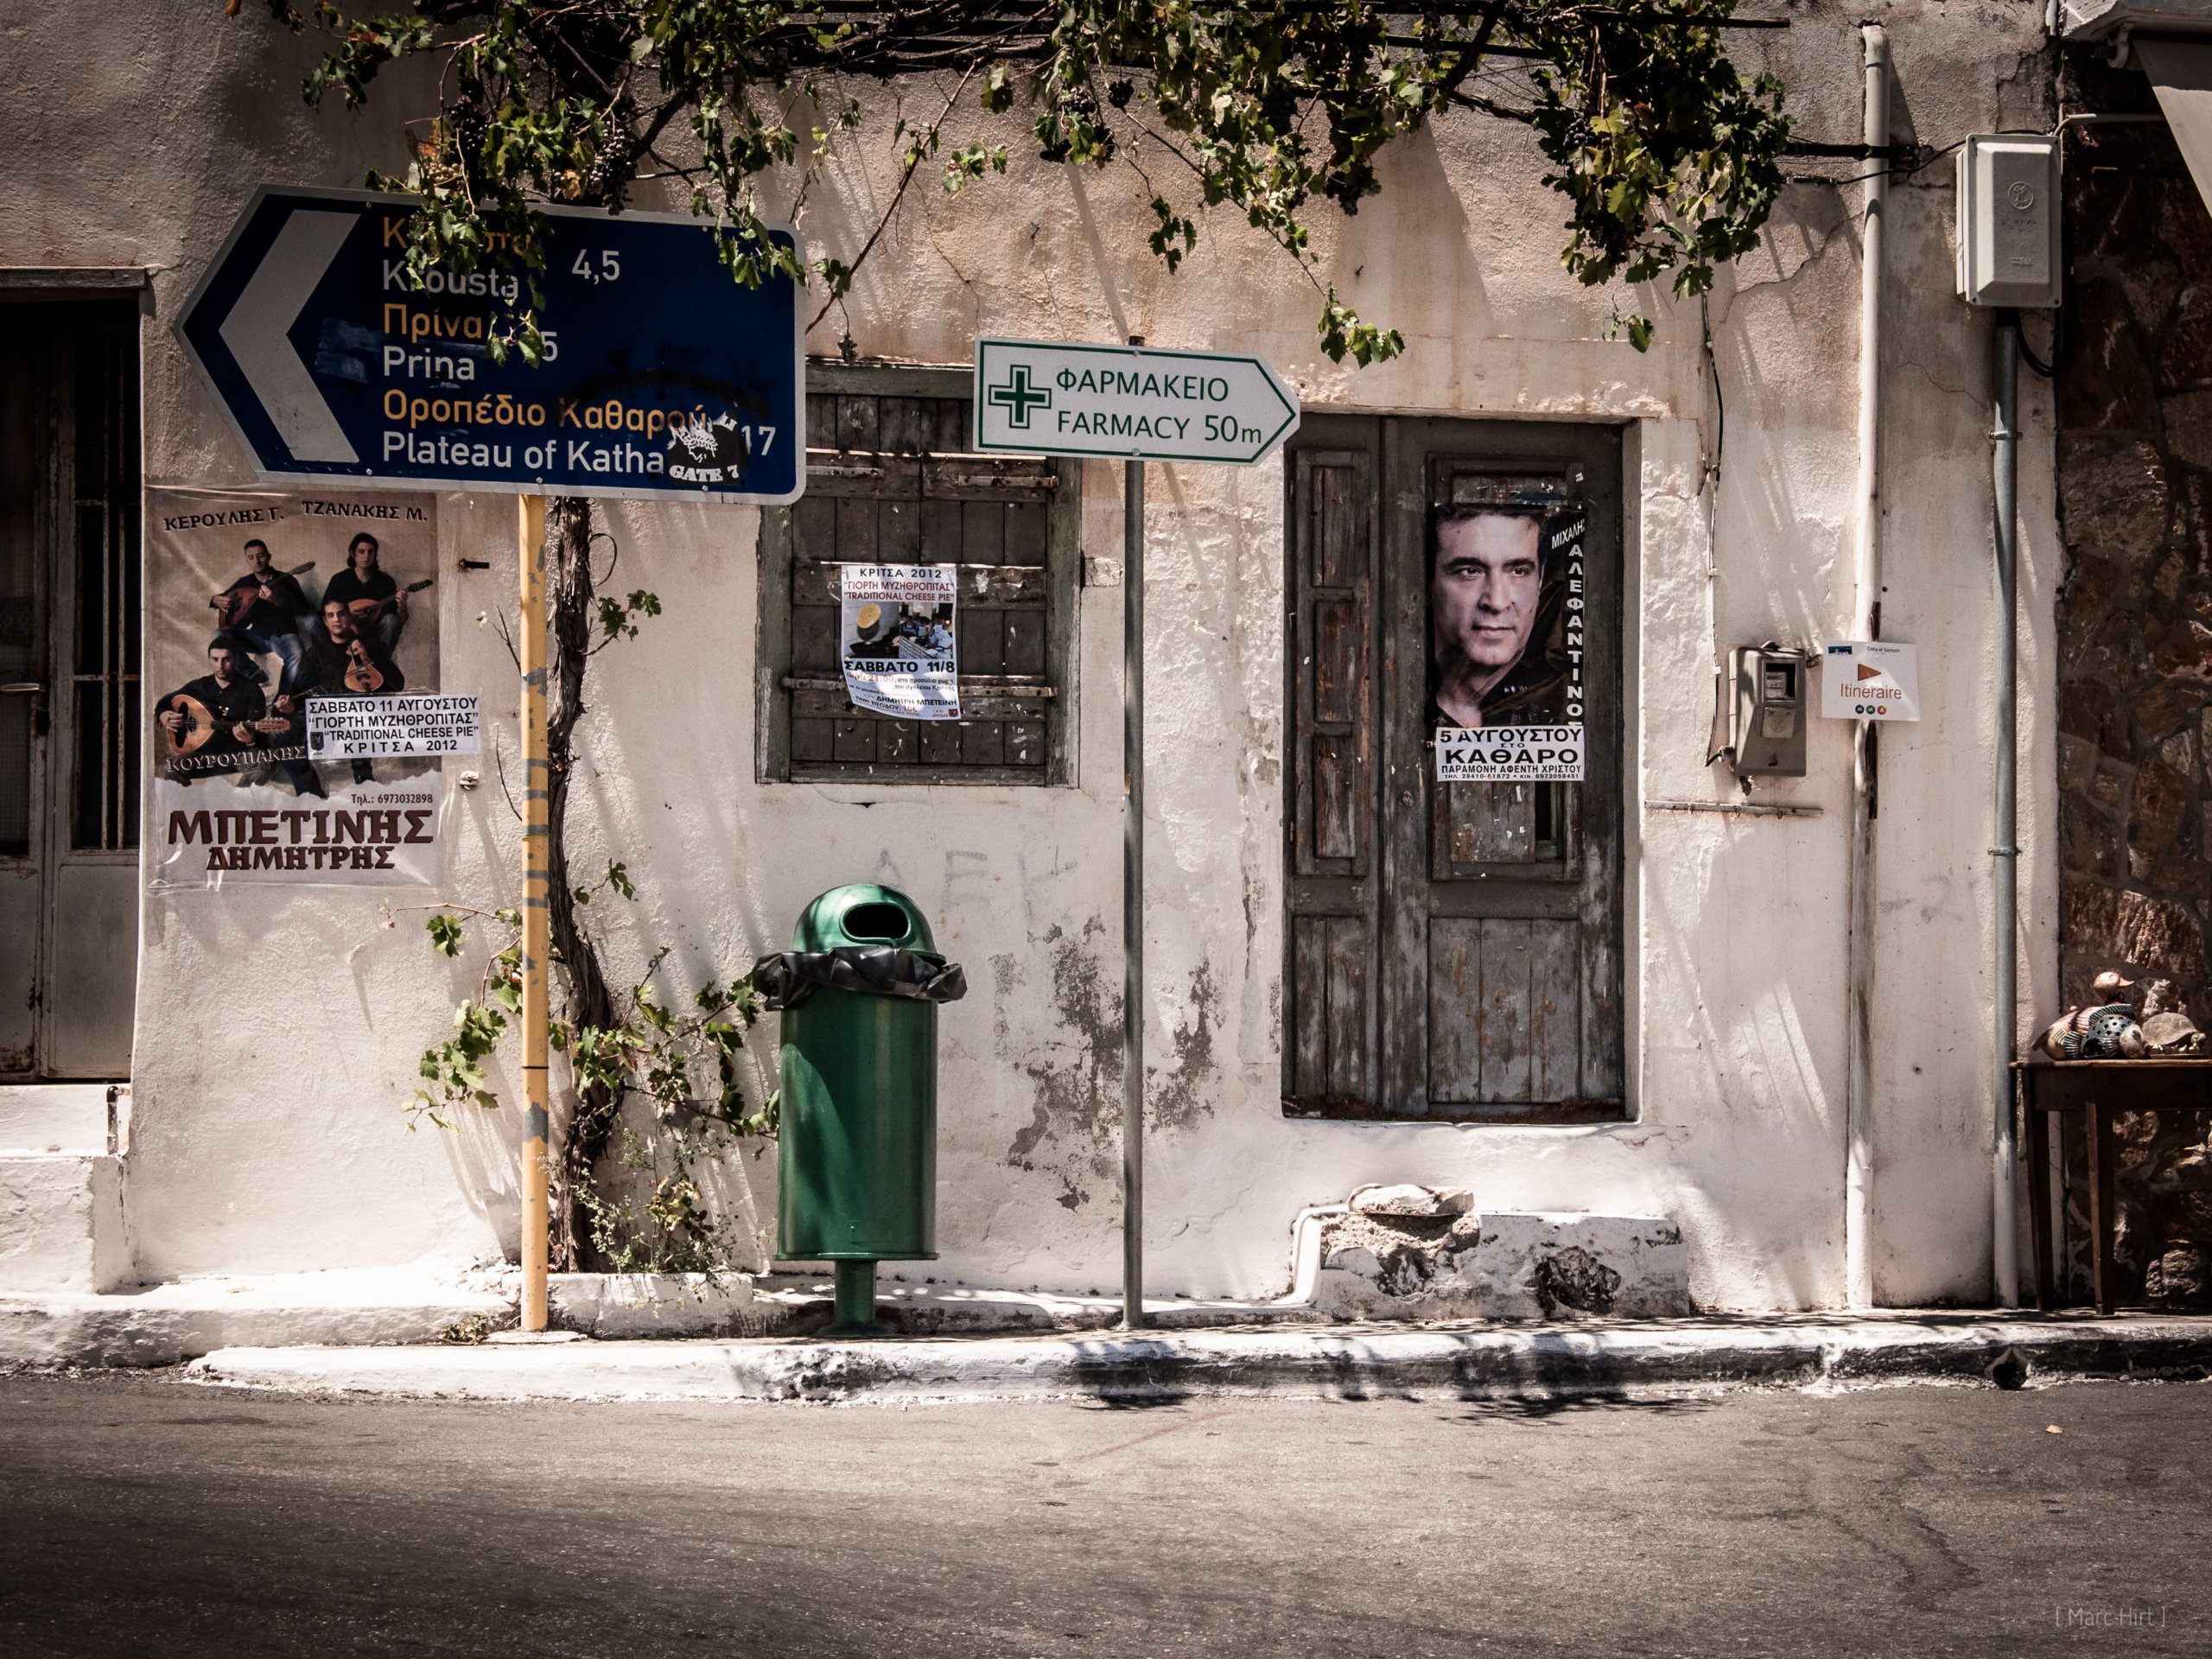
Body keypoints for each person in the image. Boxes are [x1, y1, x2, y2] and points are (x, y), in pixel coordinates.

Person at [1427, 508, 1568, 728]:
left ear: (1540, 581)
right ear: (1431, 583)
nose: (1497, 602)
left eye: (1518, 571)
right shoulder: (1403, 700)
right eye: (1470, 571)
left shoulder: (1557, 704)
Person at [280, 597, 404, 786]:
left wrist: (368, 659)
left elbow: (398, 683)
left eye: (341, 614)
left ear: (348, 617)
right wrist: (288, 704)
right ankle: (309, 790)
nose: (336, 619)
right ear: (325, 621)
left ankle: (364, 778)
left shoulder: (369, 645)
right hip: (327, 716)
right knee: (284, 736)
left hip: (359, 716)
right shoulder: (316, 652)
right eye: (331, 615)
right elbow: (299, 691)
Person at [156, 633, 277, 784]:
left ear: (236, 660)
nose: (220, 666)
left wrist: (250, 741)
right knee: (171, 769)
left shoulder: (251, 690)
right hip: (205, 754)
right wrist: (163, 714)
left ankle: (236, 804)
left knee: (259, 770)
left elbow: (259, 735)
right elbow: (166, 702)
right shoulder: (200, 687)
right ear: (209, 660)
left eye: (226, 659)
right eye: (215, 659)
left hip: (239, 753)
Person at [208, 538, 311, 691]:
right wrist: (215, 599)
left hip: (283, 635)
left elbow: (303, 609)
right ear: (247, 560)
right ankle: (252, 673)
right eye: (251, 558)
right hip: (257, 636)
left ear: (269, 556)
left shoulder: (286, 579)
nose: (256, 561)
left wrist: (278, 601)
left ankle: (283, 697)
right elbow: (224, 598)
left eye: (261, 555)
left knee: (297, 654)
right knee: (218, 634)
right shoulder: (245, 582)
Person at [321, 532, 406, 657]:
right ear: (353, 553)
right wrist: (348, 615)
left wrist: (402, 606)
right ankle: (334, 658)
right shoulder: (339, 580)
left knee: (391, 621)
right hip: (347, 630)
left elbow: (398, 621)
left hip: (374, 634)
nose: (366, 556)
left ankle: (381, 662)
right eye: (361, 551)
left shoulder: (385, 581)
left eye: (370, 552)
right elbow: (325, 611)